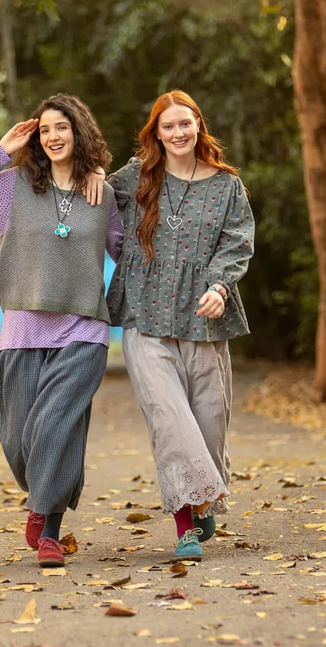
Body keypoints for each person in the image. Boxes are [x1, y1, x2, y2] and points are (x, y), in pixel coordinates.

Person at [0, 94, 123, 568]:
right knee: (20, 441)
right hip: (21, 331)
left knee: (55, 427)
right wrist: (1, 150)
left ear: (80, 132)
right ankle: (41, 500)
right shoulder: (14, 187)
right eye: (45, 130)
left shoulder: (102, 193)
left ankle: (49, 530)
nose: (54, 136)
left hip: (83, 330)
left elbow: (127, 251)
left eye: (63, 127)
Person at [103, 90, 255, 562]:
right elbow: (92, 199)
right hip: (143, 316)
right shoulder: (134, 177)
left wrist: (219, 286)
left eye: (184, 124)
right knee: (170, 423)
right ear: (156, 133)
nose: (177, 133)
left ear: (198, 125)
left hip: (203, 319)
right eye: (167, 126)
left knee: (209, 426)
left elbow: (237, 241)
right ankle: (184, 525)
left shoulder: (228, 185)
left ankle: (206, 494)